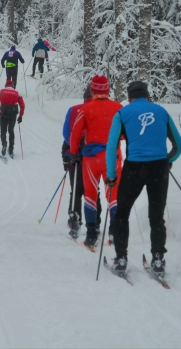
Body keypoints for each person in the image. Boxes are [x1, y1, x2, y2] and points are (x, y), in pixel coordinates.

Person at [105, 81, 181, 276]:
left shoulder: (122, 113)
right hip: (159, 167)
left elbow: (111, 146)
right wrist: (168, 160)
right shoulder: (162, 112)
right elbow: (179, 145)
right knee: (156, 216)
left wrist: (111, 176)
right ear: (148, 96)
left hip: (135, 168)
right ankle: (158, 260)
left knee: (122, 213)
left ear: (130, 97)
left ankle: (121, 258)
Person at [69, 75, 122, 249]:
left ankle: (91, 234)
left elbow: (75, 134)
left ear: (92, 90)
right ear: (108, 90)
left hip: (91, 159)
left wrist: (73, 153)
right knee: (113, 196)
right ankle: (115, 232)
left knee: (91, 194)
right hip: (112, 157)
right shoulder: (118, 108)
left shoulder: (85, 109)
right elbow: (124, 133)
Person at [61, 84, 102, 240]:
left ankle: (74, 220)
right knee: (93, 190)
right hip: (95, 156)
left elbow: (66, 134)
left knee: (76, 190)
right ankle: (96, 222)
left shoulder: (74, 110)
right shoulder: (101, 111)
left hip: (76, 155)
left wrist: (71, 152)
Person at [0, 78, 25, 159]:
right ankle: (11, 149)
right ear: (12, 86)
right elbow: (22, 105)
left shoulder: (1, 91)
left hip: (3, 114)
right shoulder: (18, 93)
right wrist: (20, 116)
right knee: (11, 131)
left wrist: (2, 99)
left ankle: (4, 146)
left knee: (3, 131)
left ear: (5, 85)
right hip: (13, 115)